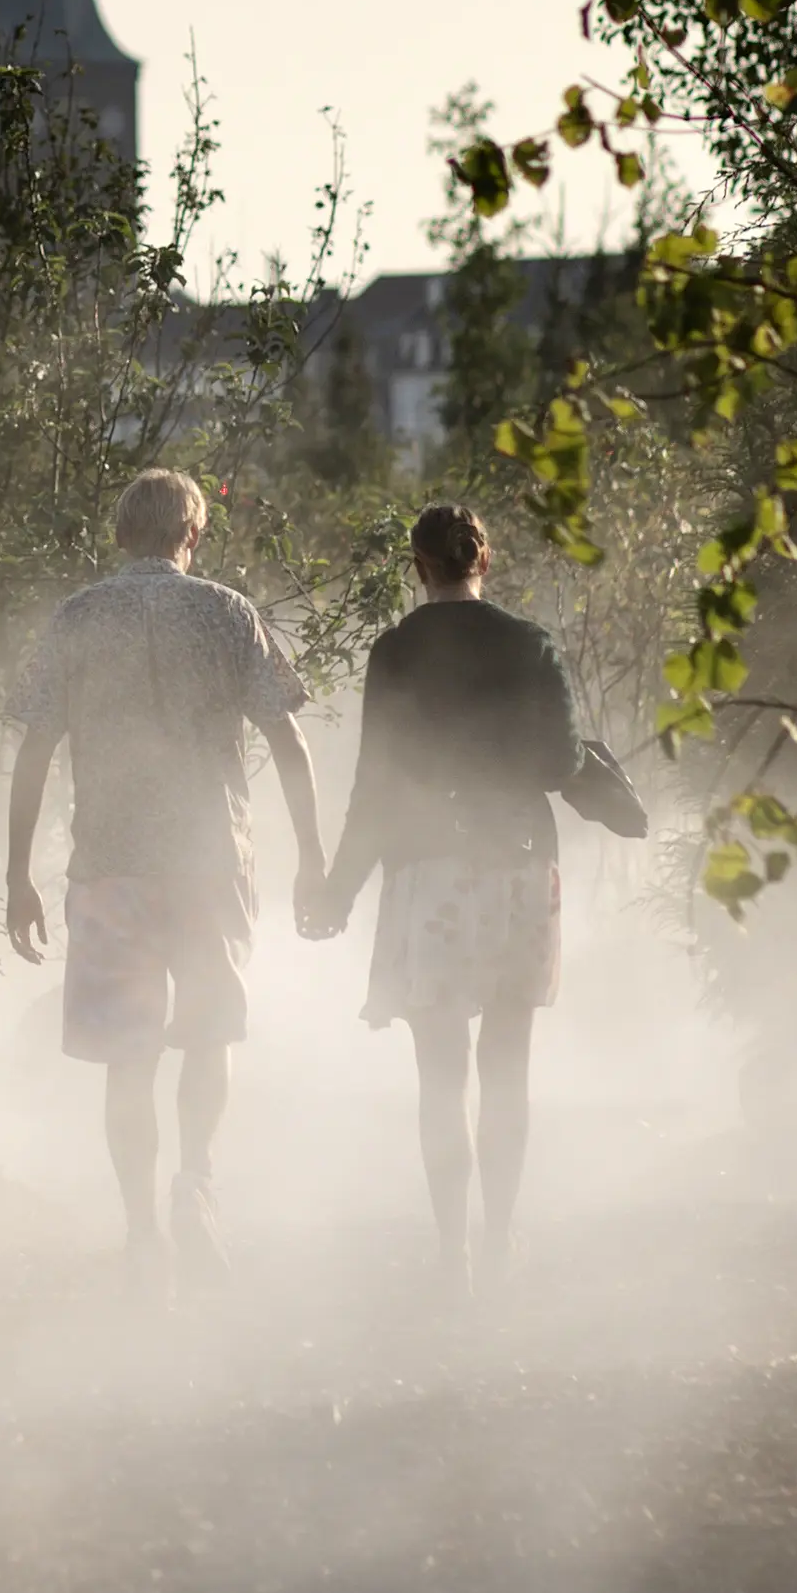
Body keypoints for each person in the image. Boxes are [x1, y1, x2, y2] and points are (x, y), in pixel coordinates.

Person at [302, 501, 645, 1284]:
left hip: (429, 876)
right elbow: (560, 762)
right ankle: (499, 1241)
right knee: (507, 1066)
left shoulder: (394, 653)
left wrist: (338, 892)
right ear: (484, 561)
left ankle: (452, 1250)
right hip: (520, 870)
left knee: (441, 1074)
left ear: (418, 567)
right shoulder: (530, 644)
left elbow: (376, 787)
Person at [2, 466, 322, 1289]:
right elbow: (288, 740)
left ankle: (144, 1232)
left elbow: (34, 749)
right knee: (210, 1032)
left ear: (121, 535)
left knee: (127, 1057)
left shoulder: (76, 618)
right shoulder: (227, 612)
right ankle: (197, 1179)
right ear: (192, 533)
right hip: (209, 859)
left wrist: (17, 875)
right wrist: (314, 855)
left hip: (111, 864)